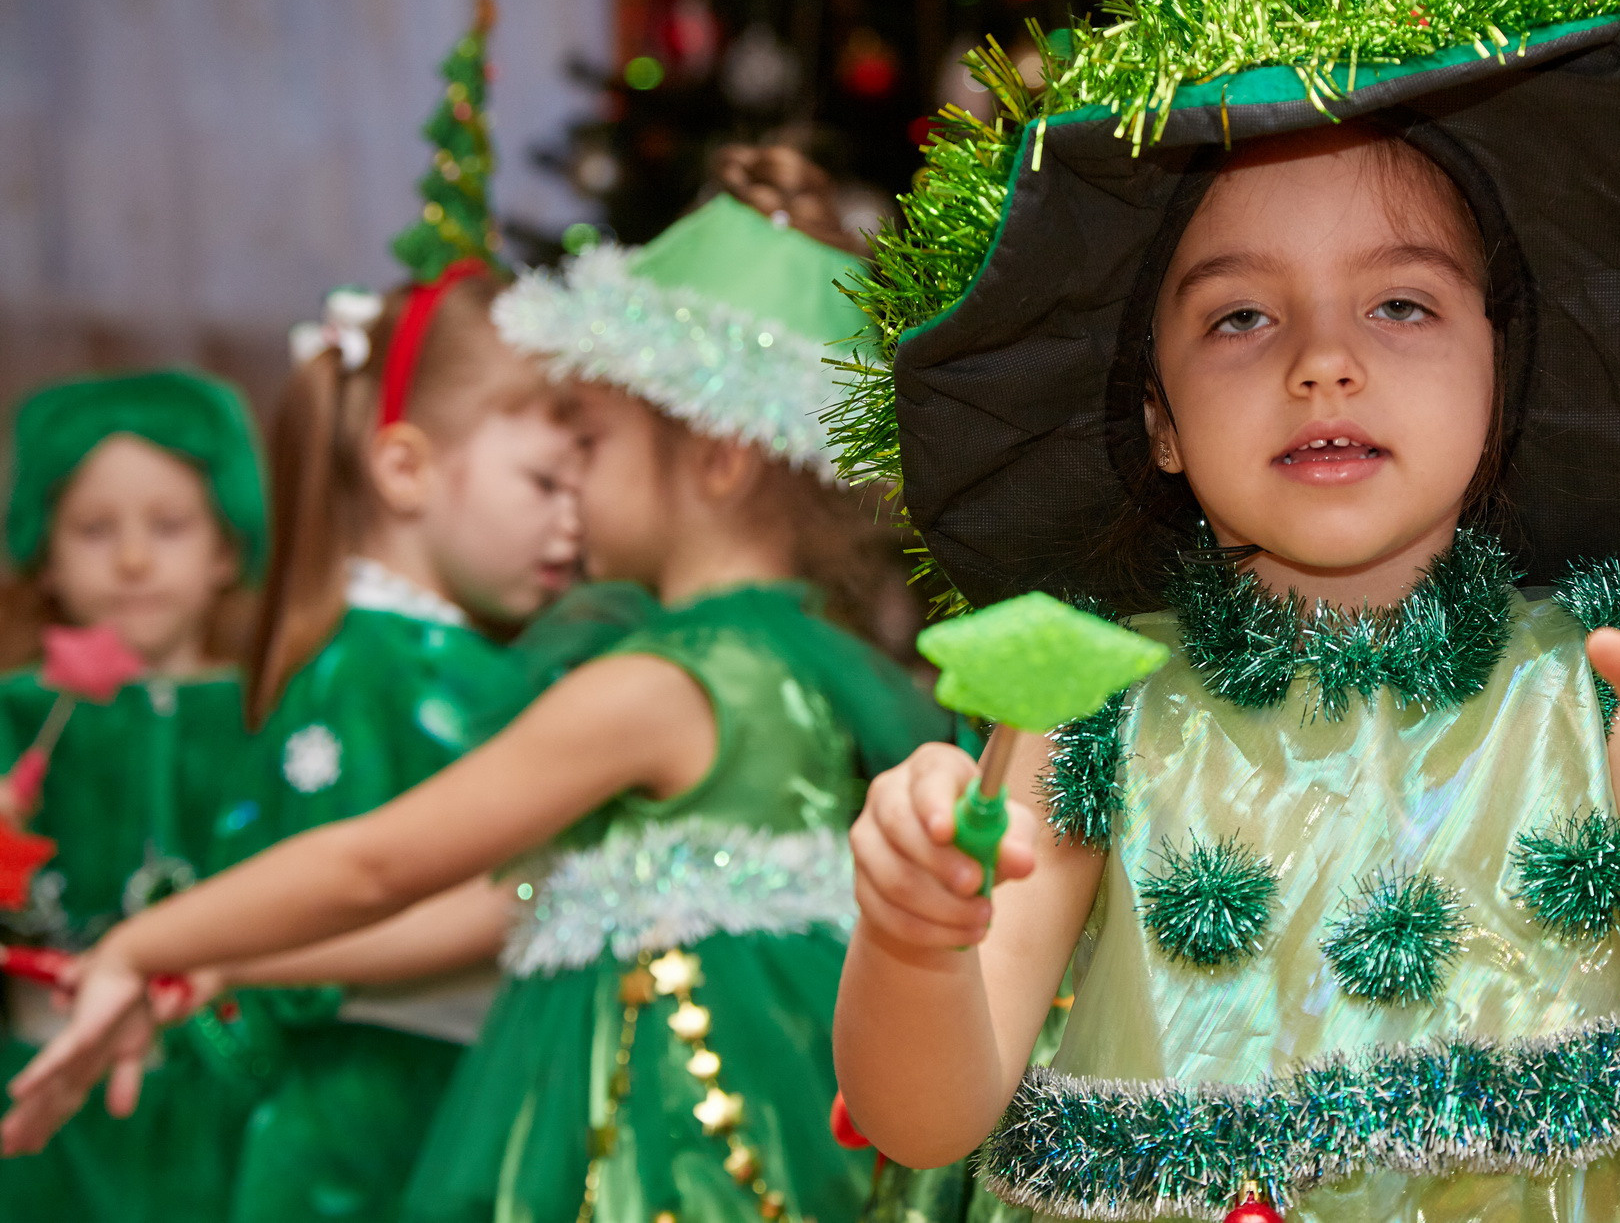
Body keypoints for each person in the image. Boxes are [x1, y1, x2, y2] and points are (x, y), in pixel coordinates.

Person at [826, 0, 1620, 1219]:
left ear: (1503, 376)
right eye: (1240, 317)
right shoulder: (1082, 713)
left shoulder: (1611, 673)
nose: (1323, 360)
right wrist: (914, 945)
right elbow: (931, 1116)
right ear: (1156, 417)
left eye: (1400, 302)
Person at [3, 149, 965, 1223]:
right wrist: (234, 960)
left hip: (667, 1142)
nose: (570, 486)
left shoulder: (655, 685)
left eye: (589, 442)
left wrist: (143, 942)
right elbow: (498, 901)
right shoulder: (786, 664)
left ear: (719, 461)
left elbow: (382, 860)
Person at [0, 369, 270, 1222]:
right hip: (40, 1084)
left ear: (226, 548)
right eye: (93, 528)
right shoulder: (16, 712)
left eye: (170, 525)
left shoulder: (270, 715)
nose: (132, 558)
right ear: (42, 552)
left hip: (227, 1083)